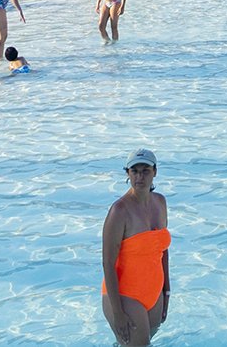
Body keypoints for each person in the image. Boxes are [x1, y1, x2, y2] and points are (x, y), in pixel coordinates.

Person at [102, 148, 171, 346]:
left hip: (154, 293)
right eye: (135, 171)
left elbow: (162, 251)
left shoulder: (160, 202)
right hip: (125, 296)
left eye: (145, 171)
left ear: (155, 172)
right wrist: (118, 313)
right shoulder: (119, 210)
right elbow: (107, 263)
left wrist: (167, 291)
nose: (140, 177)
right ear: (128, 173)